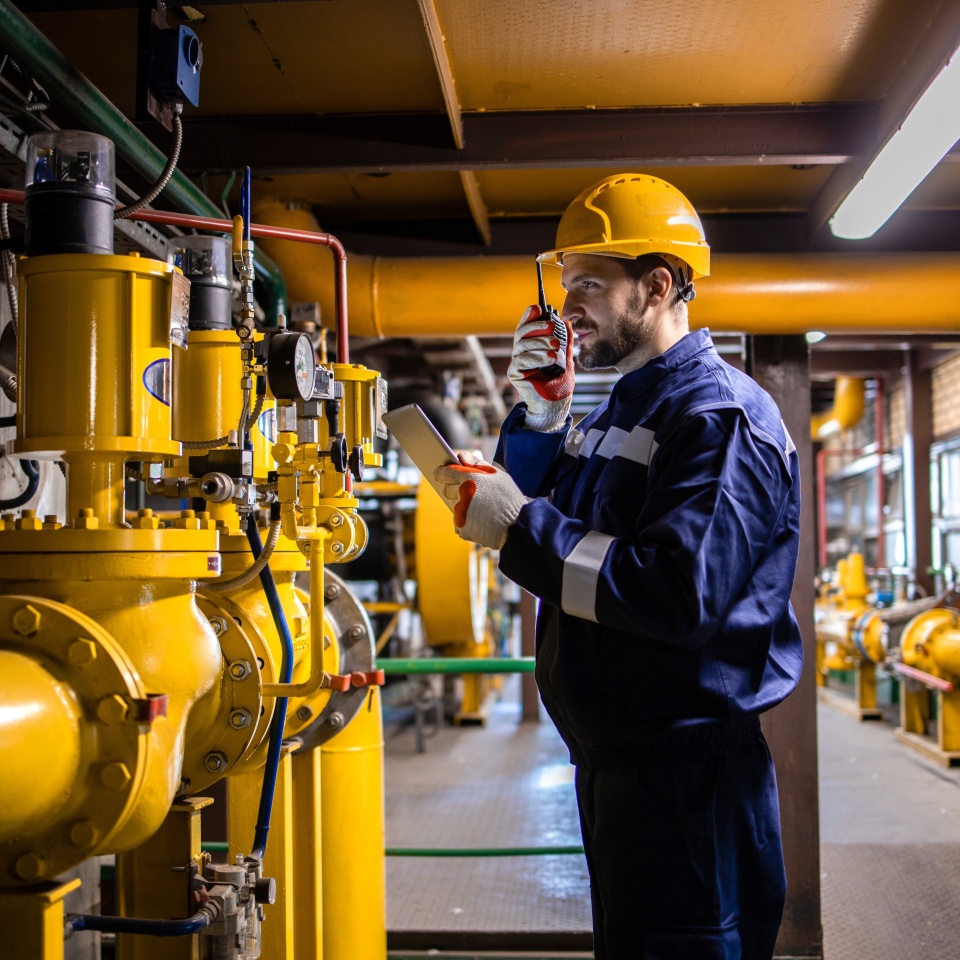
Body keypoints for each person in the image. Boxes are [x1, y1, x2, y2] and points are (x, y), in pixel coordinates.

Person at [435, 173, 804, 960]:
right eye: (568, 287)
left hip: (691, 785)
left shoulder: (718, 419)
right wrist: (541, 413)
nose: (569, 309)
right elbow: (553, 546)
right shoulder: (621, 411)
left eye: (590, 287)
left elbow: (676, 594)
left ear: (658, 285)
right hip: (620, 773)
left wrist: (523, 525)